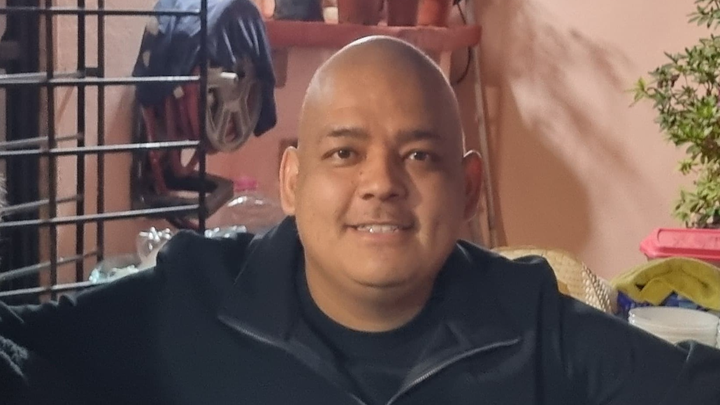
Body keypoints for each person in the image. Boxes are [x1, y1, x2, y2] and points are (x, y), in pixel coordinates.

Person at [1, 36, 720, 405]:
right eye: (344, 152)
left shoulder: (530, 324)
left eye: (419, 155)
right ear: (293, 179)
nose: (381, 184)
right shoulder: (189, 300)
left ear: (468, 188)